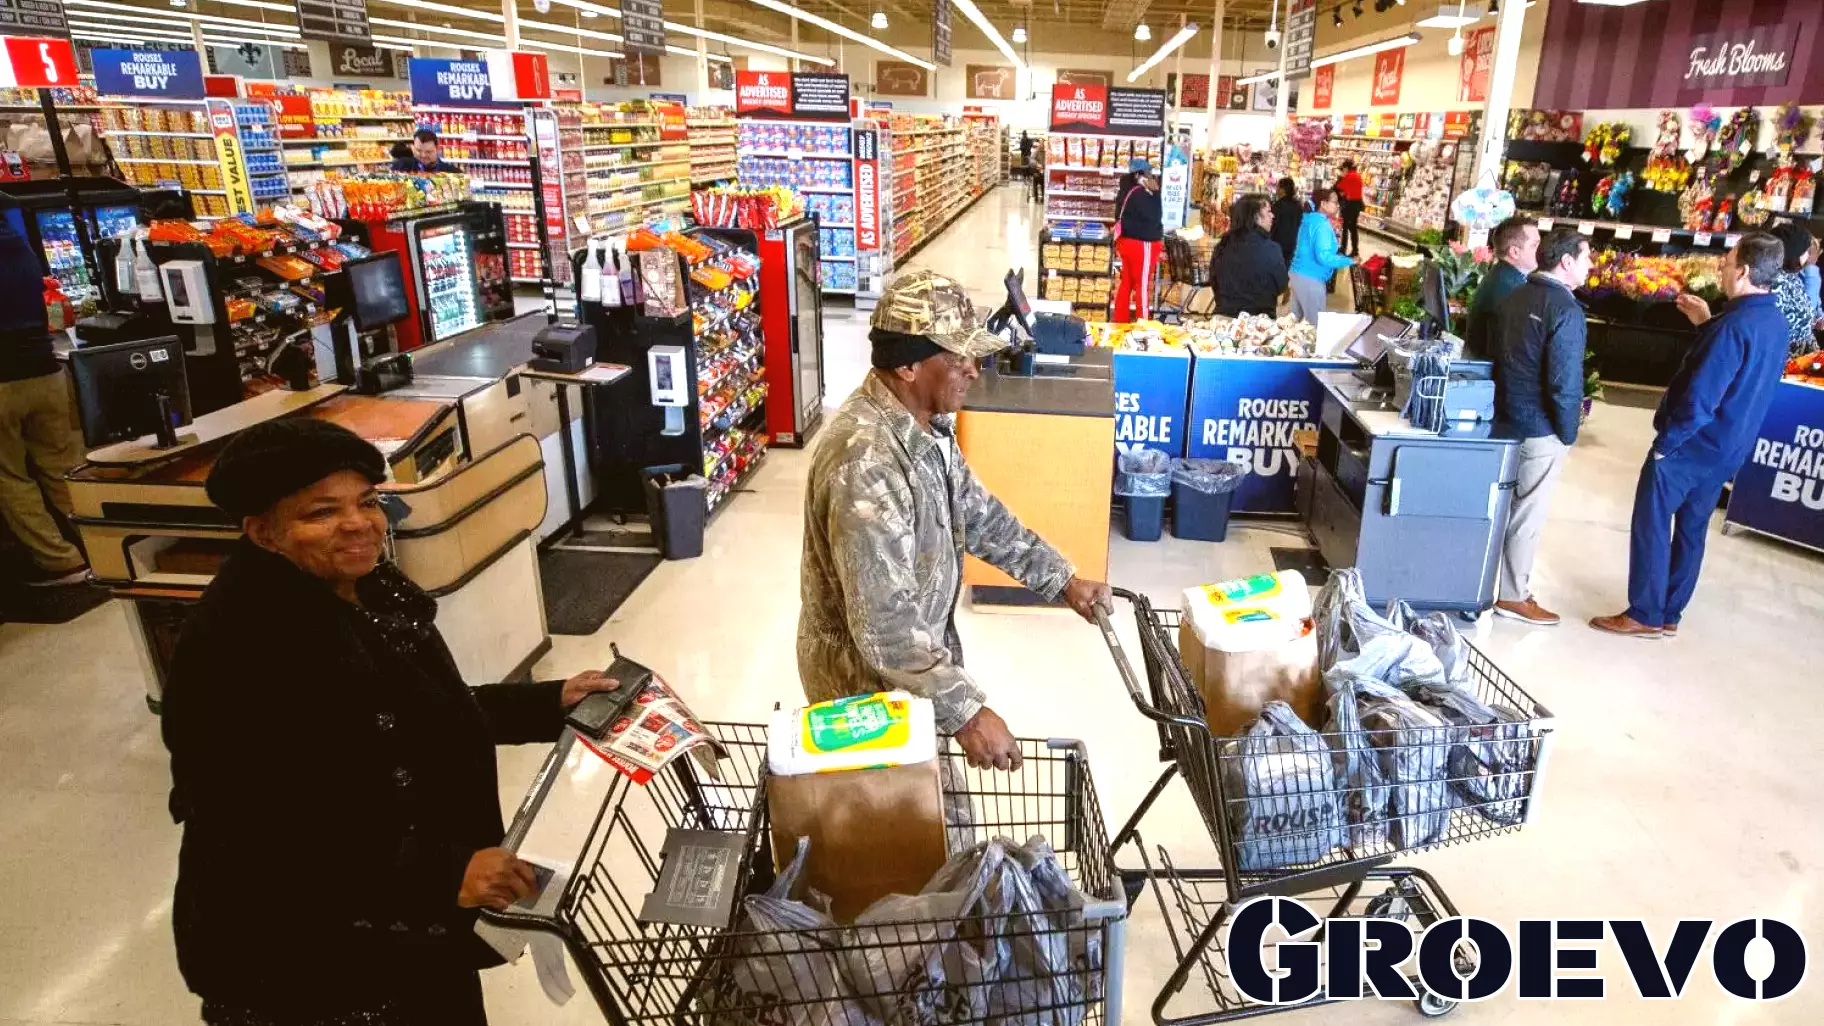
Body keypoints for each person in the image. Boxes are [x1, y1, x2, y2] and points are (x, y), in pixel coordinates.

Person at [162, 418, 619, 1024]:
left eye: (367, 501)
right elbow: (253, 828)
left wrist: (548, 701)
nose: (359, 524)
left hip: (408, 926)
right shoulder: (237, 643)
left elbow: (415, 714)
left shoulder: (361, 588)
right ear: (263, 532)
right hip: (315, 961)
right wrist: (440, 872)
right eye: (321, 513)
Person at [798, 270, 1111, 772]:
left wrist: (1061, 579)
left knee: (939, 830)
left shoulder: (927, 428)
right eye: (956, 355)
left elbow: (982, 516)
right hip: (864, 696)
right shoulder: (866, 463)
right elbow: (886, 624)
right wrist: (966, 714)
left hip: (916, 677)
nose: (973, 368)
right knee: (910, 838)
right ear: (907, 365)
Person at [1590, 234, 1790, 638]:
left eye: (1728, 261)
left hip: (1691, 444)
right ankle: (1670, 611)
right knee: (1693, 527)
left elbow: (1702, 396)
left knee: (1652, 521)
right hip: (1729, 446)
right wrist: (1707, 323)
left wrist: (1667, 443)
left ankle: (1644, 612)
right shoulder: (1773, 321)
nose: (1721, 267)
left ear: (1745, 271)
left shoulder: (1732, 328)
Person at [1488, 228, 1592, 626]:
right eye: (1586, 258)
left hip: (1507, 416)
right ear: (1566, 262)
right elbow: (1565, 382)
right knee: (1527, 513)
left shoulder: (1515, 296)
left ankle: (1486, 583)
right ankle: (1513, 595)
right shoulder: (1565, 310)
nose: (1590, 265)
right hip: (1539, 426)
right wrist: (1567, 432)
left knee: (1505, 507)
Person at [0, 202, 87, 586]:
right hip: (46, 371)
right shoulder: (20, 245)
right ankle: (99, 541)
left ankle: (61, 562)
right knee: (63, 467)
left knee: (11, 477)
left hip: (2, 383)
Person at [1464, 216, 1541, 360]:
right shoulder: (1512, 288)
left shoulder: (1503, 274)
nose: (1540, 250)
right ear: (1514, 252)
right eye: (1535, 245)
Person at [1210, 192, 1287, 317]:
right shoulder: (1271, 249)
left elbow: (1214, 280)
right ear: (1256, 217)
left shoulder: (1222, 245)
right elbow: (1281, 284)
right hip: (1260, 322)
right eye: (1268, 212)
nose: (1272, 216)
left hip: (1224, 318)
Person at [1287, 187, 1353, 323]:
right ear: (1323, 204)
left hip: (1297, 275)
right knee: (1315, 326)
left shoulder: (1309, 220)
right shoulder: (1322, 225)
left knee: (1295, 322)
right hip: (1311, 278)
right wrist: (1349, 260)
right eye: (1334, 202)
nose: (1337, 205)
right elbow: (1324, 257)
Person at [1112, 157, 1164, 323]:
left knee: (1126, 281)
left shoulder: (1125, 189)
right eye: (1149, 173)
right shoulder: (1142, 193)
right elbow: (1155, 216)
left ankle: (1120, 320)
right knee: (1142, 284)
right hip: (1142, 244)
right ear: (1142, 174)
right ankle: (1143, 325)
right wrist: (1155, 194)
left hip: (1125, 242)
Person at [1767, 220, 1821, 355]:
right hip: (1785, 362)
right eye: (1807, 250)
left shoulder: (1789, 275)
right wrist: (1811, 267)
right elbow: (1808, 309)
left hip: (1799, 358)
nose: (1810, 254)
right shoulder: (1776, 283)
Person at [1270, 177, 1305, 265]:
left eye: (1277, 187)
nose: (1276, 189)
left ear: (1282, 189)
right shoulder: (1298, 205)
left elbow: (1273, 226)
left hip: (1278, 244)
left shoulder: (1277, 206)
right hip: (1293, 243)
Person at [1335, 159, 1365, 257]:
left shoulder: (1348, 176)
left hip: (1349, 205)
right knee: (1353, 228)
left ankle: (1343, 249)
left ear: (1346, 168)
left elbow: (1338, 188)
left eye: (1343, 169)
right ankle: (1355, 250)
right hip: (1357, 204)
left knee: (1345, 227)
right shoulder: (1357, 175)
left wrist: (1340, 178)